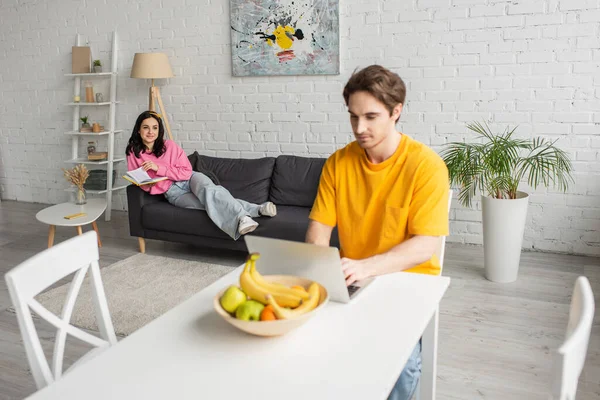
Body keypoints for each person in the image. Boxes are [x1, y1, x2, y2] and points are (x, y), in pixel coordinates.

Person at [305, 65, 449, 400]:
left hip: (408, 283)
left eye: (371, 116)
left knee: (401, 367)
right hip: (351, 280)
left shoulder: (426, 167)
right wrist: (318, 265)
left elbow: (425, 244)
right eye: (353, 116)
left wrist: (366, 267)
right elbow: (319, 228)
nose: (360, 127)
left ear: (396, 111)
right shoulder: (338, 163)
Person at [125, 110, 277, 240]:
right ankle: (257, 209)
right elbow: (136, 177)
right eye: (146, 127)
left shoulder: (169, 146)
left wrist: (159, 168)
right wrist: (148, 186)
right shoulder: (133, 152)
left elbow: (185, 171)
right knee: (205, 204)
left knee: (210, 192)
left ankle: (243, 218)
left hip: (190, 179)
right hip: (173, 192)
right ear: (138, 130)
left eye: (154, 128)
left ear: (159, 131)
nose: (150, 132)